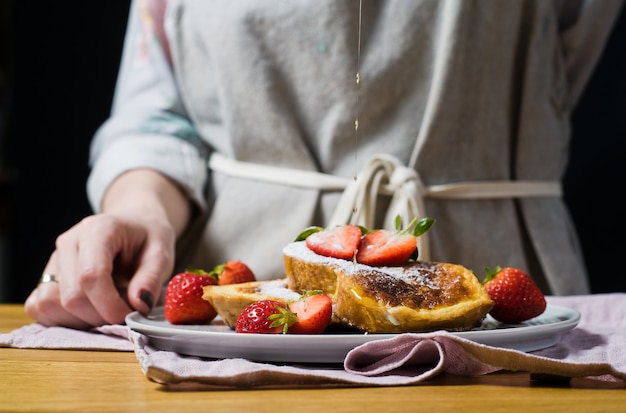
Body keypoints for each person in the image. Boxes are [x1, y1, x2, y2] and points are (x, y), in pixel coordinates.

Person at [25, 0, 624, 329]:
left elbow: (555, 72)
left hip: (499, 304)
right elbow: (160, 114)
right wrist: (139, 210)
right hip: (248, 303)